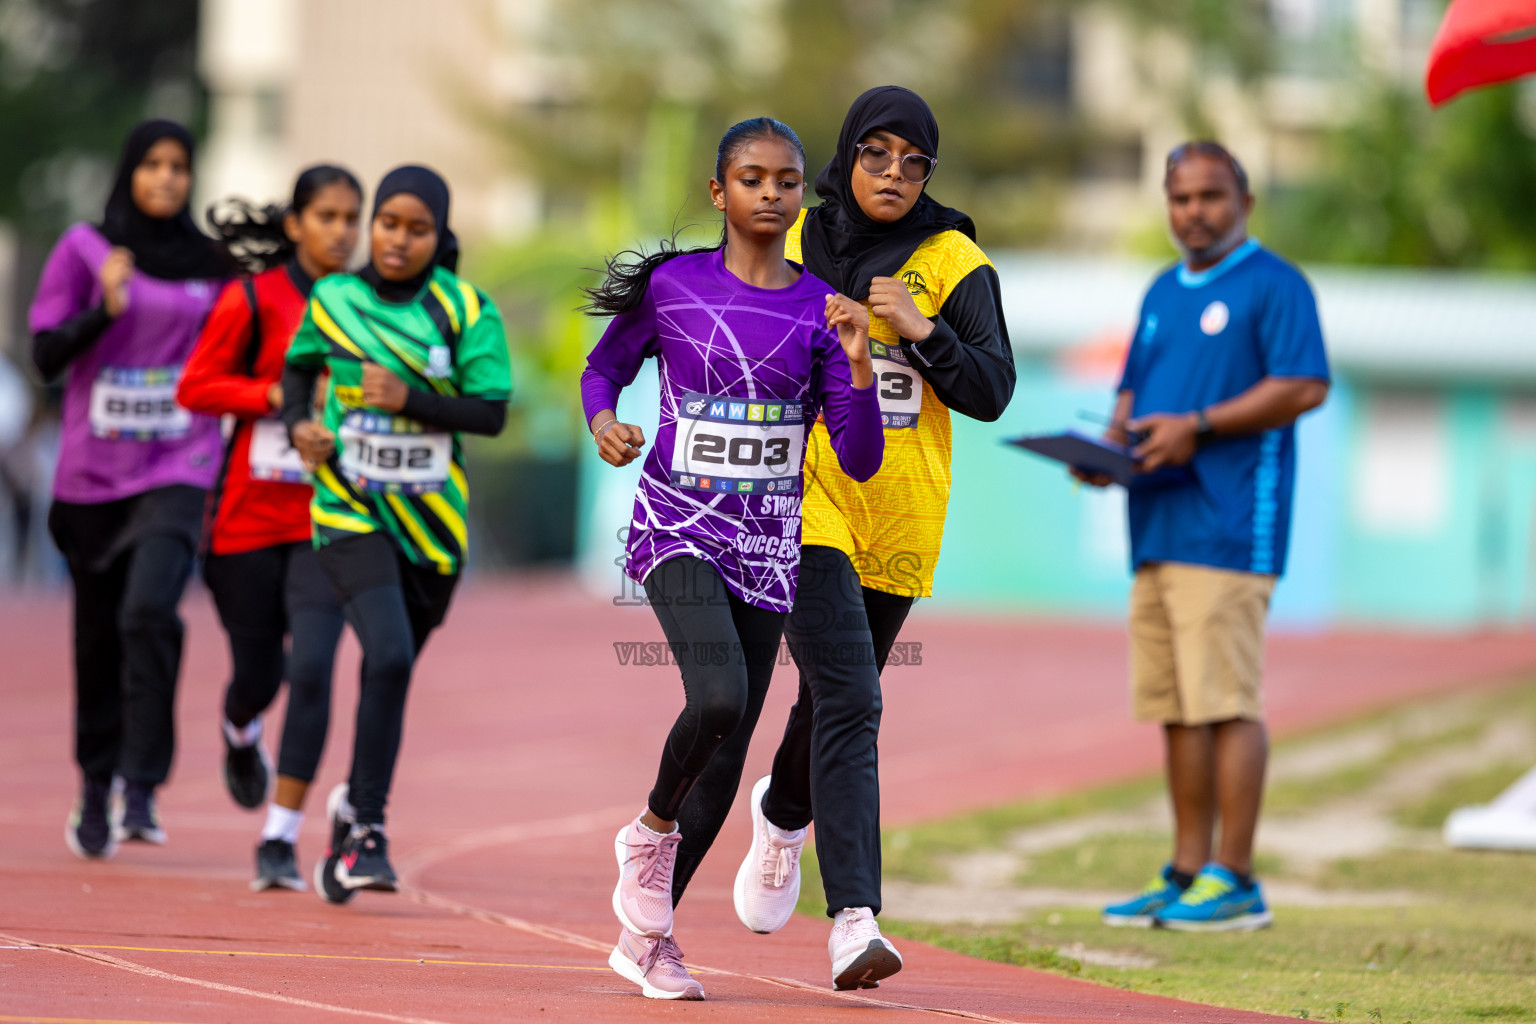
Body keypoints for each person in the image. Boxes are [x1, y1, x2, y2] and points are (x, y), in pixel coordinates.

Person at [581, 116, 884, 1000]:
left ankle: (649, 939)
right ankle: (648, 832)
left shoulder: (823, 315)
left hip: (767, 548)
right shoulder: (673, 288)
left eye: (786, 181)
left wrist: (861, 365)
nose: (770, 194)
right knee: (716, 697)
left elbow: (859, 457)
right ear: (720, 193)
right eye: (751, 178)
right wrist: (605, 421)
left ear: (801, 195)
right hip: (676, 526)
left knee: (729, 737)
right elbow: (606, 366)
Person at [726, 85, 1014, 989]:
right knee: (853, 696)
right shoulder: (796, 244)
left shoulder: (956, 262)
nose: (892, 174)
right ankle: (855, 920)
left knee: (833, 699)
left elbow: (993, 390)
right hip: (800, 500)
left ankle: (782, 811)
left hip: (900, 506)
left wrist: (921, 331)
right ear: (845, 158)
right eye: (875, 154)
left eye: (912, 161)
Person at [1081, 141, 1329, 930]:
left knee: (1226, 704)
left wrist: (1200, 425)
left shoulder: (1274, 285)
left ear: (1245, 202)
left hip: (1227, 529)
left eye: (1212, 197)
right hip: (1155, 527)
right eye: (1181, 198)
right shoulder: (1160, 290)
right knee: (1178, 708)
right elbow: (1129, 395)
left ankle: (1238, 878)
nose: (1195, 212)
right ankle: (1188, 873)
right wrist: (1106, 453)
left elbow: (1304, 384)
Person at [280, 165, 511, 903]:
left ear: (439, 236)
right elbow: (296, 372)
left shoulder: (465, 308)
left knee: (393, 667)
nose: (397, 240)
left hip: (433, 528)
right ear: (372, 225)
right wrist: (300, 426)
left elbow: (491, 413)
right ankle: (370, 834)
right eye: (388, 224)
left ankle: (353, 803)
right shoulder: (335, 298)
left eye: (417, 229)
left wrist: (409, 399)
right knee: (388, 651)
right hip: (349, 508)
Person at [29, 119, 231, 859]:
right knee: (97, 639)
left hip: (180, 467)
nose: (168, 178)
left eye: (180, 165)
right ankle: (94, 785)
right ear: (129, 171)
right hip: (92, 480)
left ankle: (142, 785)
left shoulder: (211, 263)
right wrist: (104, 309)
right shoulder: (86, 250)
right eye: (152, 164)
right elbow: (46, 355)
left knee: (150, 610)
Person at [177, 165, 363, 890]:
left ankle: (280, 835)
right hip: (247, 519)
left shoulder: (368, 305)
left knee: (314, 669)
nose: (343, 231)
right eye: (328, 216)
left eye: (353, 217)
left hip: (330, 519)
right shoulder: (251, 299)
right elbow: (194, 386)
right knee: (259, 674)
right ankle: (238, 729)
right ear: (295, 224)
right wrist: (280, 398)